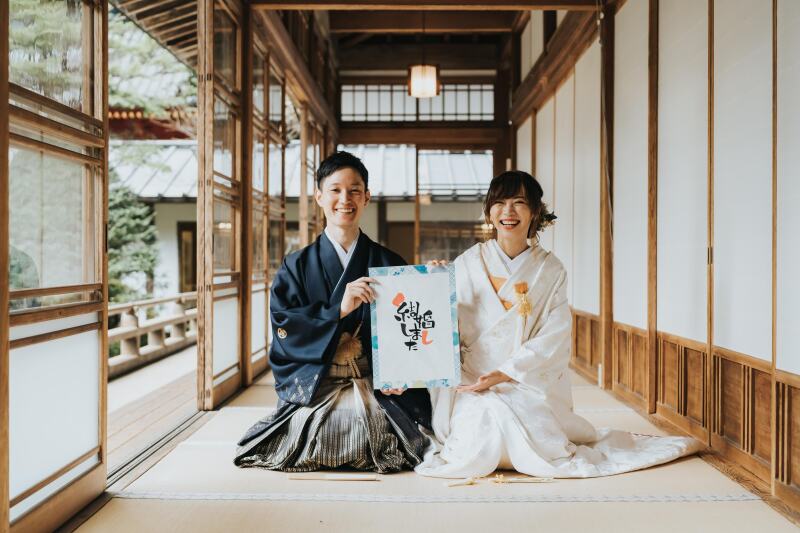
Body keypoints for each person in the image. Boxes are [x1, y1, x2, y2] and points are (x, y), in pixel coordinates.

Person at [415, 170, 701, 479]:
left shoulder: (550, 270)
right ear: (488, 211)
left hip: (521, 380)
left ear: (535, 210)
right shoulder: (467, 263)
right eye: (499, 203)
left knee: (540, 440)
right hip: (471, 380)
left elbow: (554, 336)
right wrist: (434, 282)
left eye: (519, 203)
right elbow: (439, 324)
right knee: (475, 439)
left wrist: (504, 374)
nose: (508, 212)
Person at [235, 151, 431, 473]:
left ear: (366, 197)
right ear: (319, 196)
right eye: (335, 189)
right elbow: (285, 327)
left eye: (355, 190)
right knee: (314, 431)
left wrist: (403, 374)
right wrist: (336, 311)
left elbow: (412, 328)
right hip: (318, 383)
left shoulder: (390, 263)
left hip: (375, 385)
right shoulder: (296, 266)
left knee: (392, 438)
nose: (345, 199)